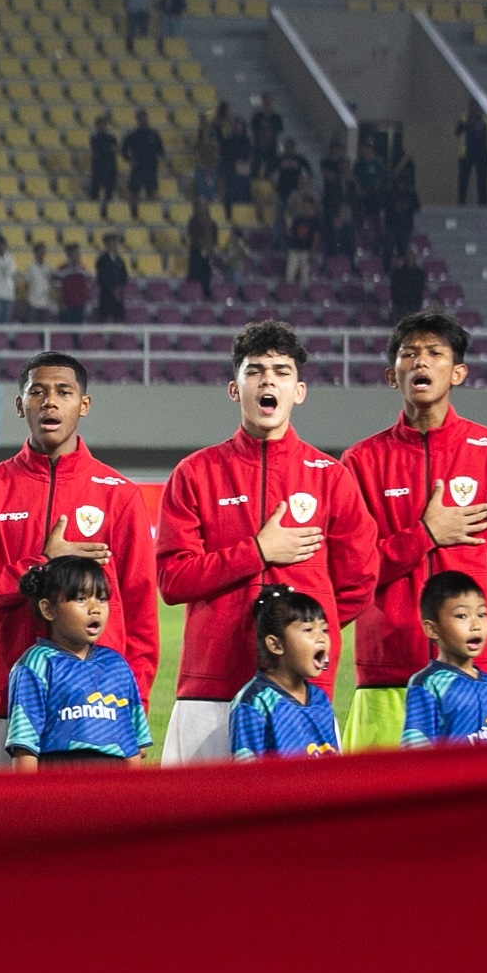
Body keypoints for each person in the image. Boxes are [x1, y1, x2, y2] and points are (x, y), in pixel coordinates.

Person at [155, 320, 377, 764]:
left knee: (303, 811)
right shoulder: (195, 473)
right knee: (198, 811)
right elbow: (173, 580)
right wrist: (257, 552)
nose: (268, 381)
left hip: (302, 692)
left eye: (281, 372)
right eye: (254, 371)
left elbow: (359, 582)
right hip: (211, 688)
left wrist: (303, 633)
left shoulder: (331, 478)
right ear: (234, 389)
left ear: (299, 390)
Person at [0, 352, 156, 771]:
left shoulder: (119, 494)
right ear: (20, 404)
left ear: (84, 403)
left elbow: (139, 611)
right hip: (7, 706)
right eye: (37, 392)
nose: (50, 402)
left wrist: (137, 705)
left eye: (64, 392)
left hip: (98, 707)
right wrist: (39, 563)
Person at [340, 313, 487, 749]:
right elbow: (352, 572)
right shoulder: (360, 462)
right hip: (387, 677)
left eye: (434, 353)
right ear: (392, 375)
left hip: (477, 676)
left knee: (473, 796)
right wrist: (425, 535)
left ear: (458, 373)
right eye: (408, 354)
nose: (420, 362)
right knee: (380, 796)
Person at [2, 556, 151, 770]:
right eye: (81, 599)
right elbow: (25, 746)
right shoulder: (35, 664)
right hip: (59, 780)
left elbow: (132, 747)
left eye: (101, 599)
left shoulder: (117, 665)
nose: (95, 608)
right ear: (48, 610)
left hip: (113, 781)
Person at [226, 585, 342, 760]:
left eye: (324, 630)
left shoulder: (320, 699)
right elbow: (246, 770)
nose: (321, 638)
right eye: (308, 630)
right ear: (276, 645)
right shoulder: (255, 703)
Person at [400, 572, 487, 747]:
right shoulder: (427, 684)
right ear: (432, 629)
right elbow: (416, 744)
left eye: (482, 614)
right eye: (462, 616)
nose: (476, 625)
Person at [121, 109, 164, 208]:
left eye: (144, 118)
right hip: (137, 167)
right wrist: (129, 160)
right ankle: (133, 213)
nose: (143, 121)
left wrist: (160, 160)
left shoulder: (154, 135)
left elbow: (161, 150)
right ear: (137, 120)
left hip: (151, 167)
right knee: (134, 192)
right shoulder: (133, 135)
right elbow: (123, 149)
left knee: (151, 192)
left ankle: (150, 212)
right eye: (140, 119)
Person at [455, 105, 487, 206]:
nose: (475, 110)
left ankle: (483, 203)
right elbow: (457, 132)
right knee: (463, 179)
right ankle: (461, 202)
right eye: (473, 108)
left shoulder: (484, 120)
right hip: (467, 152)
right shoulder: (464, 118)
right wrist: (465, 123)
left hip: (481, 152)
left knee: (482, 180)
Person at [94, 234, 129, 323]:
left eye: (114, 244)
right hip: (107, 294)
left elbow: (124, 275)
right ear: (106, 245)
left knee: (119, 317)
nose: (113, 246)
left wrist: (119, 287)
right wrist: (112, 288)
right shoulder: (102, 260)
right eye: (111, 244)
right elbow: (101, 278)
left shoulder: (120, 260)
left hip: (118, 294)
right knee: (104, 318)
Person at [88, 115, 119, 206]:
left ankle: (107, 210)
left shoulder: (112, 138)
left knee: (109, 193)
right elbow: (98, 150)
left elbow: (115, 149)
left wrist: (109, 149)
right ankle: (93, 210)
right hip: (98, 168)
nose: (101, 127)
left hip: (110, 167)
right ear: (96, 126)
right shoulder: (94, 138)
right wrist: (109, 149)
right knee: (94, 192)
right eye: (99, 125)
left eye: (103, 125)